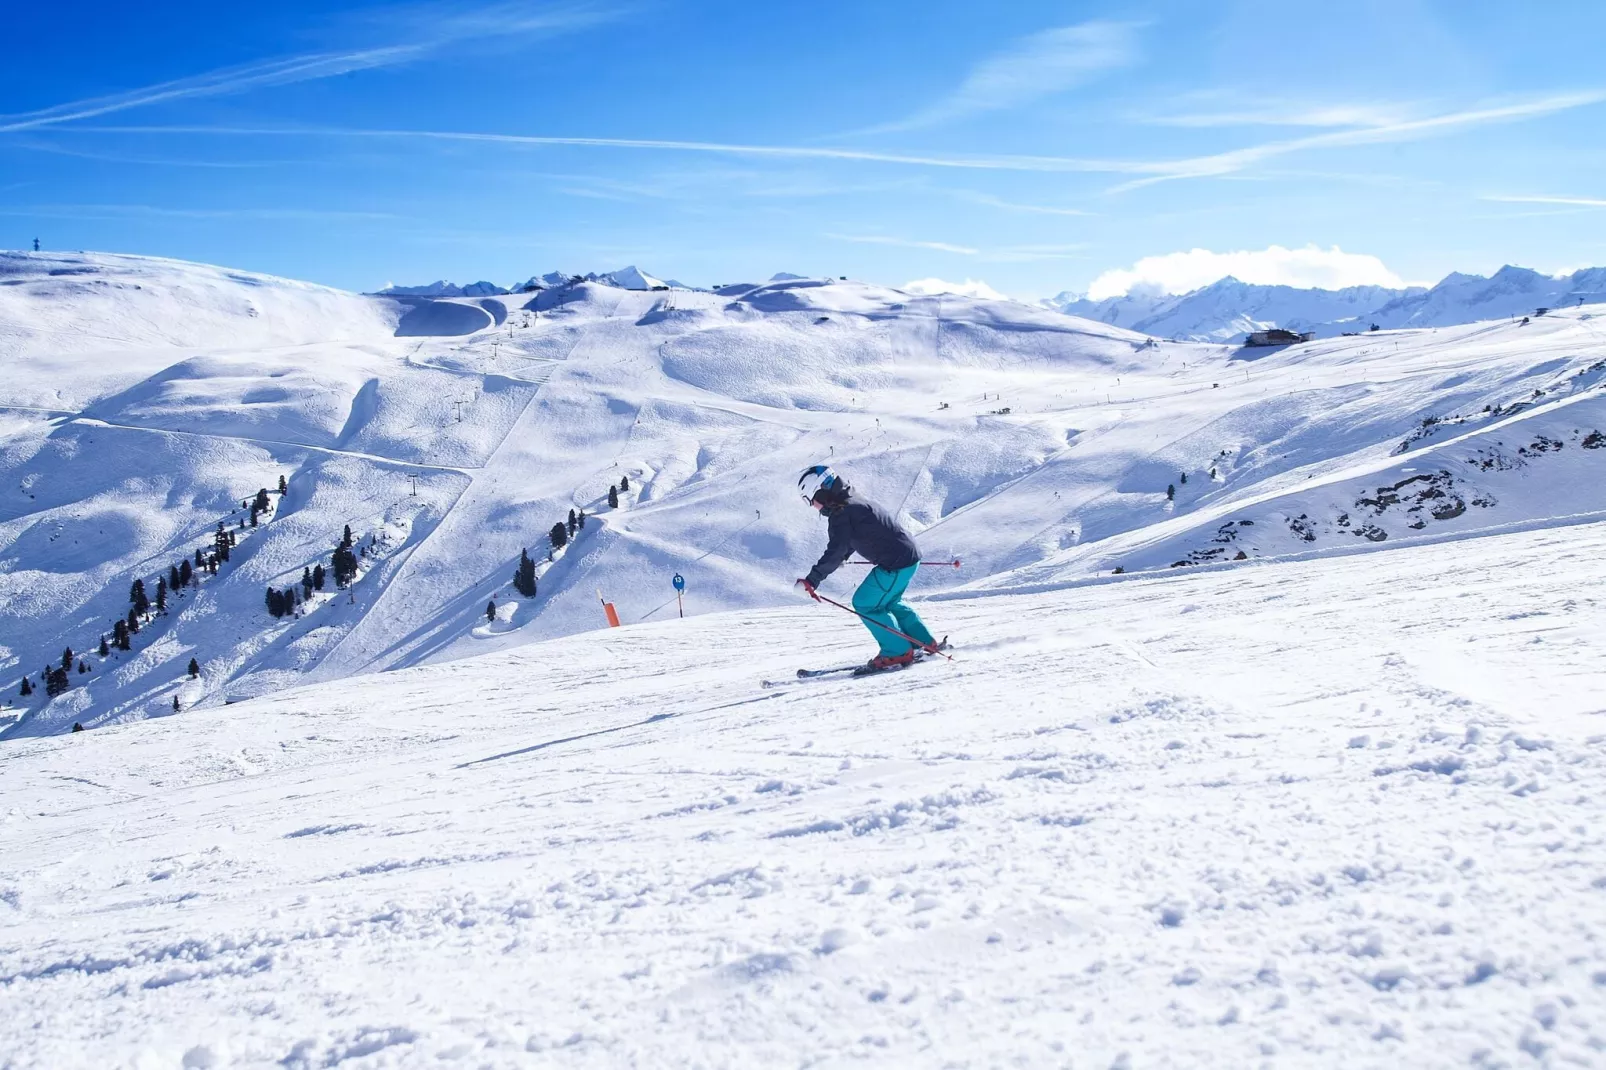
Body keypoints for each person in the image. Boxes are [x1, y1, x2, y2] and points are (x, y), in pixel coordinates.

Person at [794, 465, 942, 671]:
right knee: (889, 602)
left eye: (809, 501)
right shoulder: (852, 501)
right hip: (908, 557)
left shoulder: (841, 513)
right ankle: (921, 641)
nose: (813, 507)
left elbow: (836, 549)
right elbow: (852, 539)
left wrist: (811, 580)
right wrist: (844, 556)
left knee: (865, 603)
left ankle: (897, 651)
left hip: (895, 564)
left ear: (820, 491)